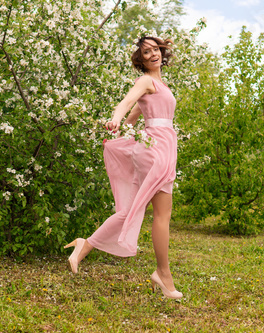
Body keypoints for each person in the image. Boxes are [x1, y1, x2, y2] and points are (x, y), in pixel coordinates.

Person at [64, 36, 182, 299]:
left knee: (130, 210)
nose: (152, 54)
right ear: (140, 60)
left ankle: (85, 245)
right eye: (146, 52)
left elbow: (133, 117)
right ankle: (163, 274)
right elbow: (126, 103)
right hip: (155, 148)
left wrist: (121, 128)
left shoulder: (160, 84)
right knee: (162, 215)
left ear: (162, 52)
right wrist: (114, 119)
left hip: (160, 146)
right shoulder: (145, 81)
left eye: (155, 50)